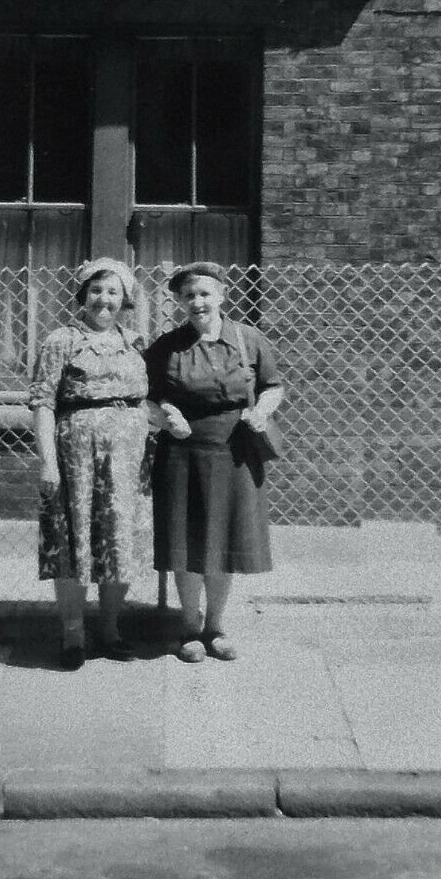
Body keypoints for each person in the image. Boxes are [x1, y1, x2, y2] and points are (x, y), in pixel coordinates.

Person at [146, 261, 285, 663]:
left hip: (235, 452)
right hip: (182, 453)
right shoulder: (167, 346)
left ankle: (216, 627)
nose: (197, 302)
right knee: (185, 543)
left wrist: (261, 410)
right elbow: (150, 396)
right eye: (189, 295)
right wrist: (167, 413)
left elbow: (274, 386)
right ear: (179, 302)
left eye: (205, 293)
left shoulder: (247, 338)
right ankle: (189, 628)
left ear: (222, 295)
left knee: (223, 541)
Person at [29, 257, 151, 670]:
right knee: (72, 539)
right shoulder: (61, 340)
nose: (104, 300)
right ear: (83, 295)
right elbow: (43, 403)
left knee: (120, 540)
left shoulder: (136, 344)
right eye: (97, 290)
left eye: (113, 292)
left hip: (128, 461)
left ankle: (111, 629)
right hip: (75, 460)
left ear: (125, 299)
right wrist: (48, 462)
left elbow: (150, 399)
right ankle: (73, 633)